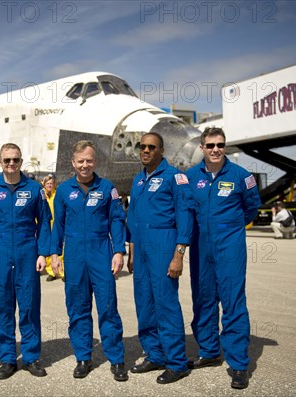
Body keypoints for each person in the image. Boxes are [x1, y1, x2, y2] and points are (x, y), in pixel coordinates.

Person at [186, 127, 261, 390]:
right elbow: (185, 210)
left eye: (220, 145)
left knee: (233, 301)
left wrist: (231, 227)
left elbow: (252, 207)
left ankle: (239, 364)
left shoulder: (242, 176)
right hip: (199, 247)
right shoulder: (190, 176)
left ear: (224, 146)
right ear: (202, 148)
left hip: (230, 247)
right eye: (210, 145)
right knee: (204, 299)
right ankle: (208, 351)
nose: (215, 149)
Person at [50, 140, 129, 382]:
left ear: (95, 161)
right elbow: (59, 225)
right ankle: (83, 357)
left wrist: (118, 251)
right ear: (73, 163)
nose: (85, 165)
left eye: (89, 160)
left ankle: (116, 359)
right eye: (80, 161)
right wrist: (55, 253)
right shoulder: (64, 191)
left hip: (100, 252)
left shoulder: (107, 188)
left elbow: (117, 220)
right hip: (74, 255)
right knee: (78, 308)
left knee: (107, 307)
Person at [0, 143, 51, 380]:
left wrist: (42, 253)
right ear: (0, 162)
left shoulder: (33, 189)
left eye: (15, 160)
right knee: (1, 308)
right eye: (7, 160)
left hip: (26, 252)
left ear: (21, 161)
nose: (11, 164)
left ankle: (30, 357)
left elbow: (44, 221)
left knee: (29, 306)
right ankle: (8, 358)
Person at [126, 133, 192, 384]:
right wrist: (132, 253)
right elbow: (131, 218)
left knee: (166, 304)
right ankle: (155, 354)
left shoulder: (175, 177)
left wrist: (179, 255)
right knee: (144, 303)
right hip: (140, 248)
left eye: (151, 147)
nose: (145, 151)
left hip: (164, 243)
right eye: (142, 147)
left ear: (161, 150)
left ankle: (176, 362)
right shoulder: (138, 180)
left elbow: (185, 217)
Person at [42, 174, 64, 281]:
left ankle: (62, 271)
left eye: (51, 183)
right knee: (47, 249)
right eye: (47, 183)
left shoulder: (58, 194)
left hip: (57, 225)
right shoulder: (41, 195)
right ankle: (51, 272)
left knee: (59, 249)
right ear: (44, 184)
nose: (49, 185)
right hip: (45, 226)